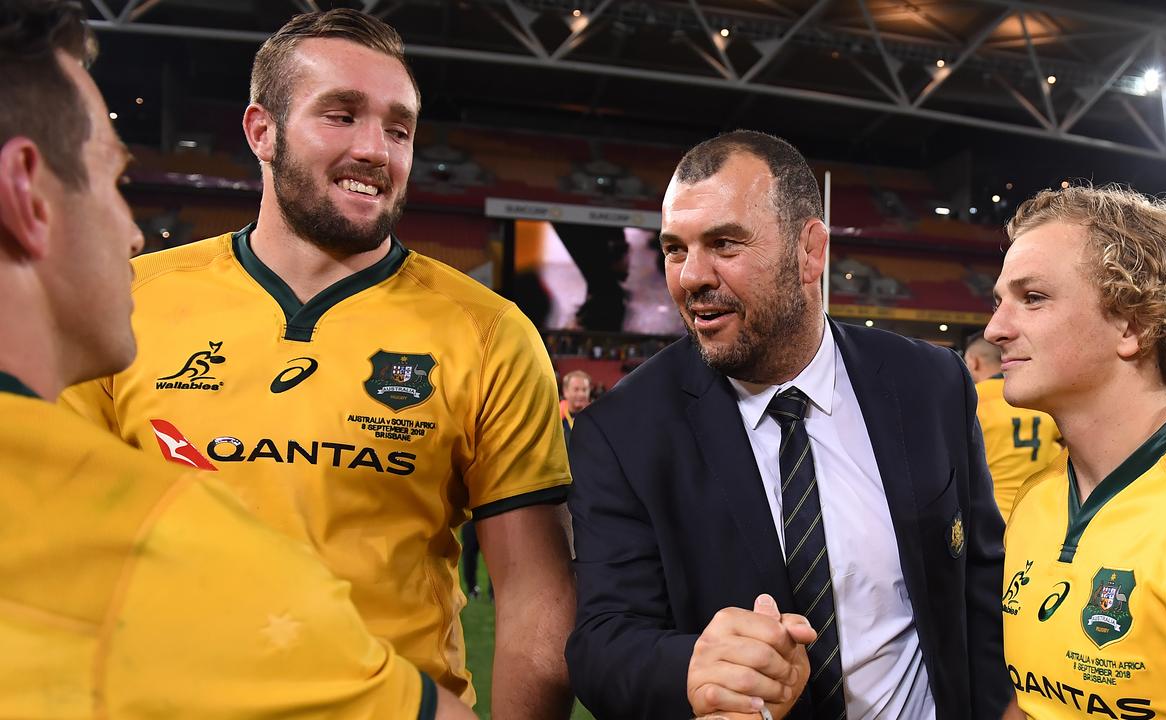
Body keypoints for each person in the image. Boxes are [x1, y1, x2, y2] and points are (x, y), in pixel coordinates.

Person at [59, 8, 575, 716]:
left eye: (399, 129)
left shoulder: (491, 333)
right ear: (260, 130)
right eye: (340, 115)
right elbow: (56, 552)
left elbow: (535, 603)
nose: (376, 149)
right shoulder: (129, 300)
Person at [565, 130, 1008, 720]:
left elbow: (980, 576)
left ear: (810, 251)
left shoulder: (930, 384)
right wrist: (694, 665)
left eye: (724, 243)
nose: (691, 276)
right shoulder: (622, 433)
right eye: (675, 248)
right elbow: (600, 644)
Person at [988, 185, 1166, 718]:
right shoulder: (1035, 501)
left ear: (1132, 324)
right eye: (999, 301)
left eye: (1032, 298)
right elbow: (1031, 704)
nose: (995, 329)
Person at [964, 333, 1063, 521]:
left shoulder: (972, 399)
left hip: (989, 514)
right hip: (1037, 513)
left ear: (974, 362)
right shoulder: (1039, 398)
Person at [560, 369, 592, 442]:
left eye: (584, 390)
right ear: (565, 391)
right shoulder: (556, 417)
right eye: (576, 389)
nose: (581, 394)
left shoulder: (596, 417)